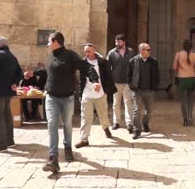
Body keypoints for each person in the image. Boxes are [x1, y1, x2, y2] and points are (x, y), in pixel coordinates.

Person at [25, 32, 100, 173]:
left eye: (49, 41)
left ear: (56, 41)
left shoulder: (70, 56)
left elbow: (87, 67)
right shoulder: (49, 57)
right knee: (52, 124)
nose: (47, 44)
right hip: (52, 97)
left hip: (67, 98)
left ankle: (67, 148)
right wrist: (33, 74)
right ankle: (53, 158)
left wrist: (95, 81)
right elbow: (47, 71)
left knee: (67, 125)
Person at [75, 43, 117, 149]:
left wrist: (107, 91)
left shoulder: (103, 62)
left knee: (103, 114)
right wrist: (80, 94)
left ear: (94, 50)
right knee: (86, 117)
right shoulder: (82, 63)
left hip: (101, 94)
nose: (87, 53)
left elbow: (109, 77)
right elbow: (81, 80)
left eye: (89, 51)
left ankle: (106, 128)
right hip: (87, 93)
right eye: (85, 52)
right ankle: (84, 139)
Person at [127, 43, 159, 139]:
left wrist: (155, 87)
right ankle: (137, 130)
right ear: (141, 51)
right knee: (136, 111)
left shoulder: (153, 61)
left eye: (150, 50)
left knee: (149, 111)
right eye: (148, 50)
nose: (150, 51)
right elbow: (128, 76)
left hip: (149, 91)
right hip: (137, 91)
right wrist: (132, 86)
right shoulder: (133, 61)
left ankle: (145, 123)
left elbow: (157, 76)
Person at [106, 34, 136, 133]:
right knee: (116, 103)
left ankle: (129, 124)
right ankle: (116, 122)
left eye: (119, 42)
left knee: (128, 103)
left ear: (124, 42)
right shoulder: (111, 53)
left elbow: (134, 67)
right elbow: (107, 68)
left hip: (128, 82)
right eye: (116, 42)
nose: (117, 43)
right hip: (116, 82)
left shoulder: (131, 52)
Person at [173, 39, 195, 126]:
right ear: (191, 47)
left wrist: (181, 67)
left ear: (183, 46)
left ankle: (185, 119)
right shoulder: (194, 55)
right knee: (190, 100)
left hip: (182, 79)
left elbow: (174, 67)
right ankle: (190, 116)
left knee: (183, 100)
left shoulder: (178, 54)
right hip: (192, 78)